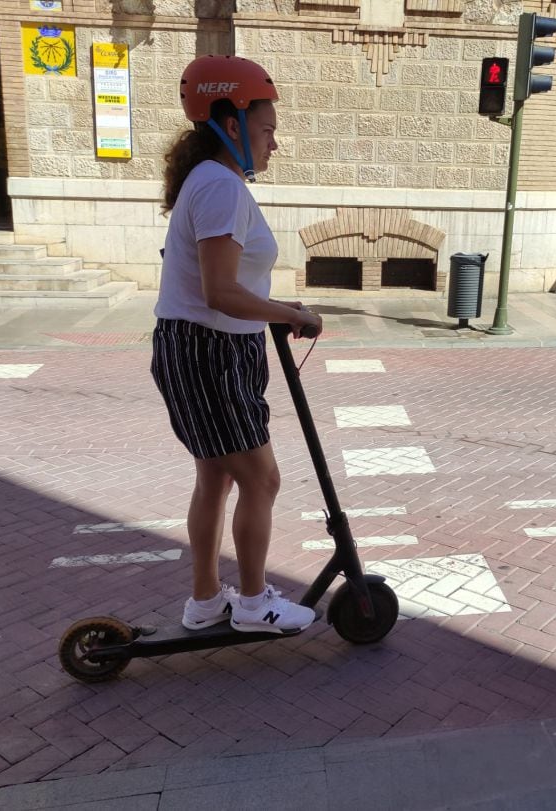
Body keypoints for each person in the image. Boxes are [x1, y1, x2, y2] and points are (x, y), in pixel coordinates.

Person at [151, 55, 323, 634]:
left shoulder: (211, 182)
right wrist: (293, 313)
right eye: (268, 129)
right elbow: (220, 290)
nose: (275, 142)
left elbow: (225, 286)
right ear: (231, 123)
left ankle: (205, 601)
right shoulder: (221, 187)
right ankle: (253, 604)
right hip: (211, 351)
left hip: (208, 347)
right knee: (261, 479)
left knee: (217, 477)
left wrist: (272, 315)